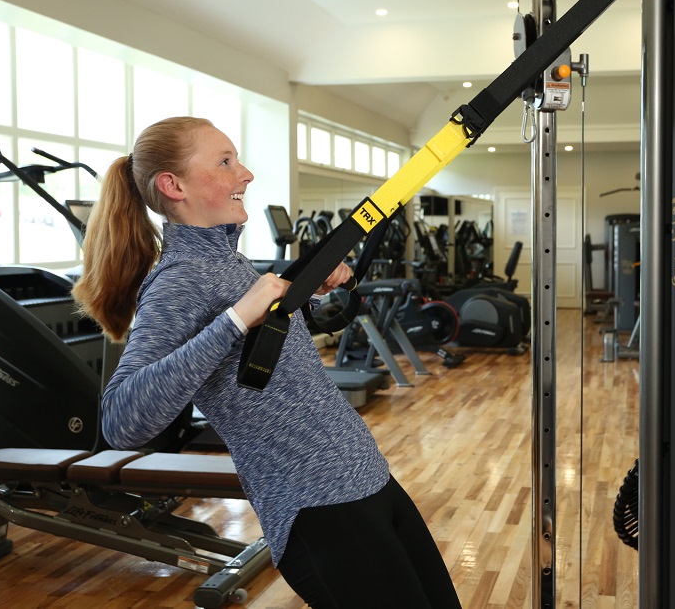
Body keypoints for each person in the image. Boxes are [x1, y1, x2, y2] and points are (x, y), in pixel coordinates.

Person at [72, 116, 462, 608]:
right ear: (174, 186)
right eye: (225, 161)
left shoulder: (231, 264)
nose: (246, 173)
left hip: (366, 477)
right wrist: (235, 319)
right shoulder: (178, 280)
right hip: (317, 507)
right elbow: (121, 421)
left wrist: (309, 298)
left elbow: (271, 358)